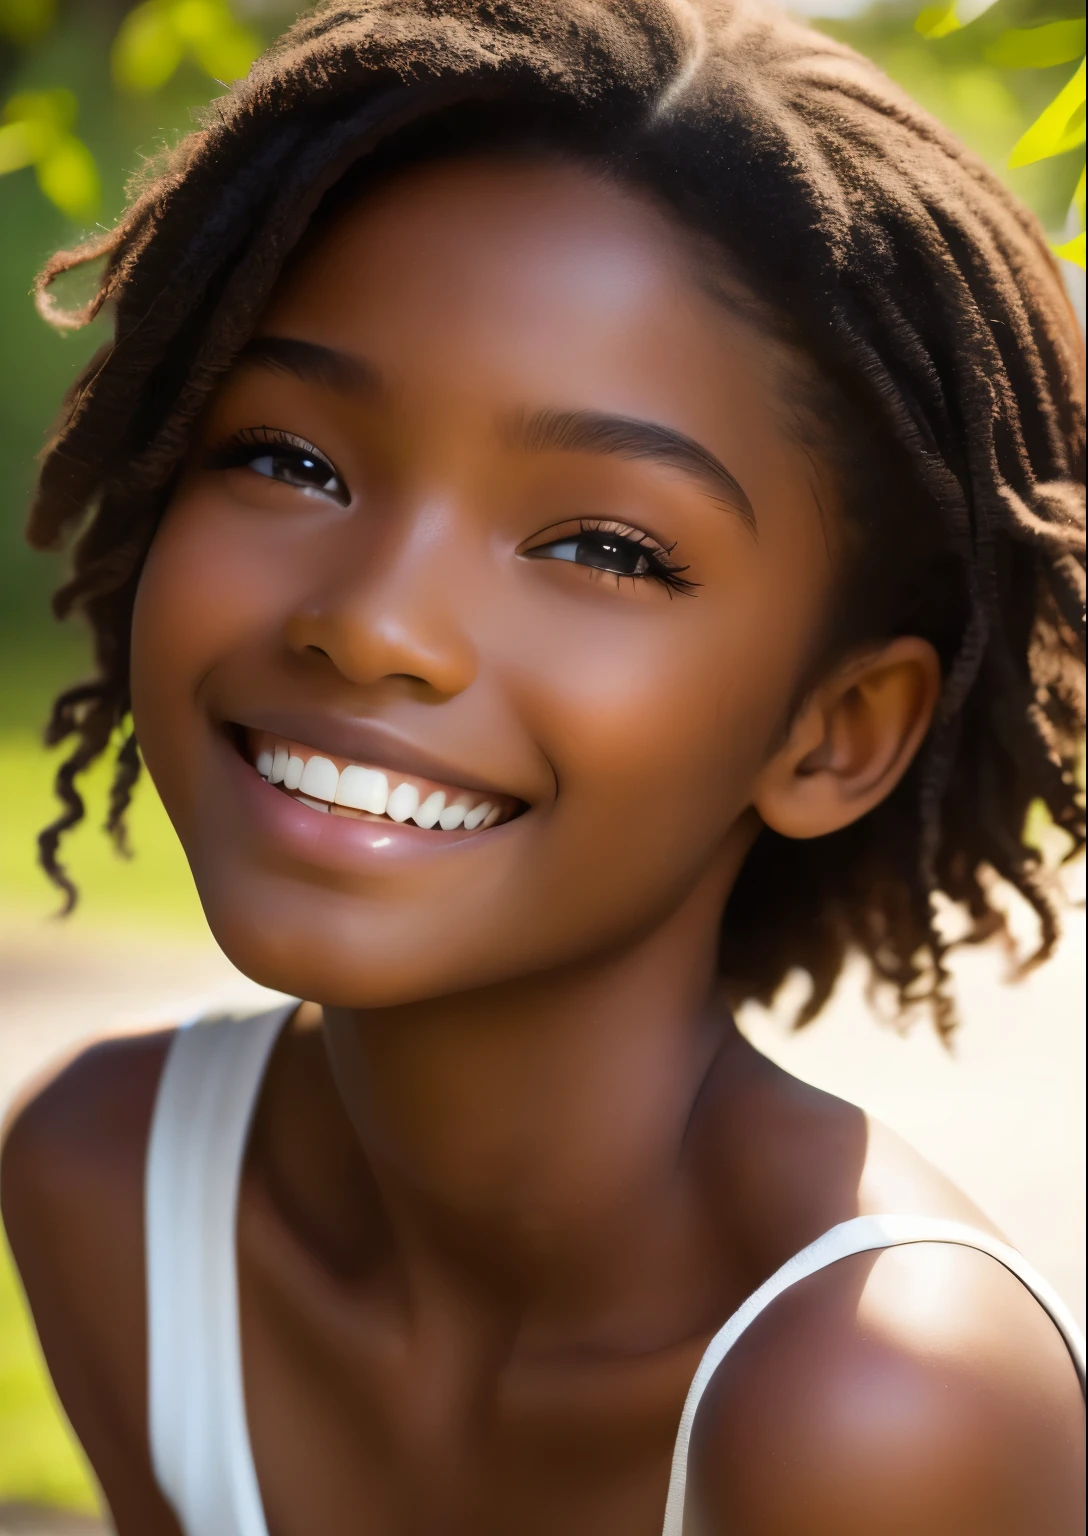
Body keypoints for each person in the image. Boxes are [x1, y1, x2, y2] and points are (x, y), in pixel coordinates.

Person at [2, 1, 1084, 1532]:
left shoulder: (877, 1405)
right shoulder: (109, 1184)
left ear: (833, 730)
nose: (375, 622)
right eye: (288, 459)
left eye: (602, 547)